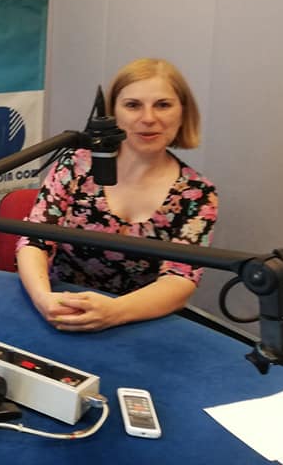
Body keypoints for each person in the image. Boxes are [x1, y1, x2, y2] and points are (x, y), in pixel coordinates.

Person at [15, 58, 218, 332]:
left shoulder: (197, 194)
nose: (148, 118)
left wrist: (114, 312)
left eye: (163, 105)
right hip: (59, 308)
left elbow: (180, 279)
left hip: (137, 322)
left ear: (183, 112)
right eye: (133, 105)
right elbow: (34, 240)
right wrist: (43, 299)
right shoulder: (75, 165)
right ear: (112, 114)